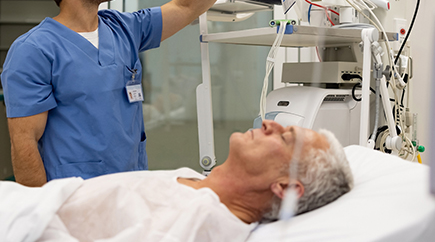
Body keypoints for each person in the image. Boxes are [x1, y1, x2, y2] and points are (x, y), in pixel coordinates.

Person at [1, 0, 253, 187]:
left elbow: (187, 7)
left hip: (132, 186)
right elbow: (24, 143)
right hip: (75, 195)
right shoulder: (34, 50)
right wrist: (41, 215)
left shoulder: (124, 28)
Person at [34, 120, 354, 242]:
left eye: (286, 137)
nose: (270, 122)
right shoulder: (192, 180)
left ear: (285, 188)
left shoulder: (199, 223)